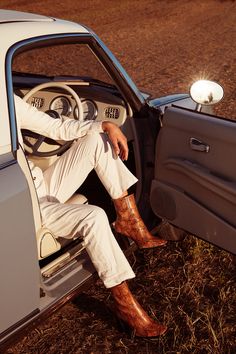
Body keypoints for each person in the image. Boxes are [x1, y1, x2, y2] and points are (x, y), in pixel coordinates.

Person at [14, 94, 167, 338]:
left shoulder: (4, 97)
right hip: (23, 205)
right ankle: (125, 304)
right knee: (93, 216)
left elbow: (55, 126)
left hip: (40, 186)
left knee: (97, 139)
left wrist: (104, 124)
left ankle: (128, 217)